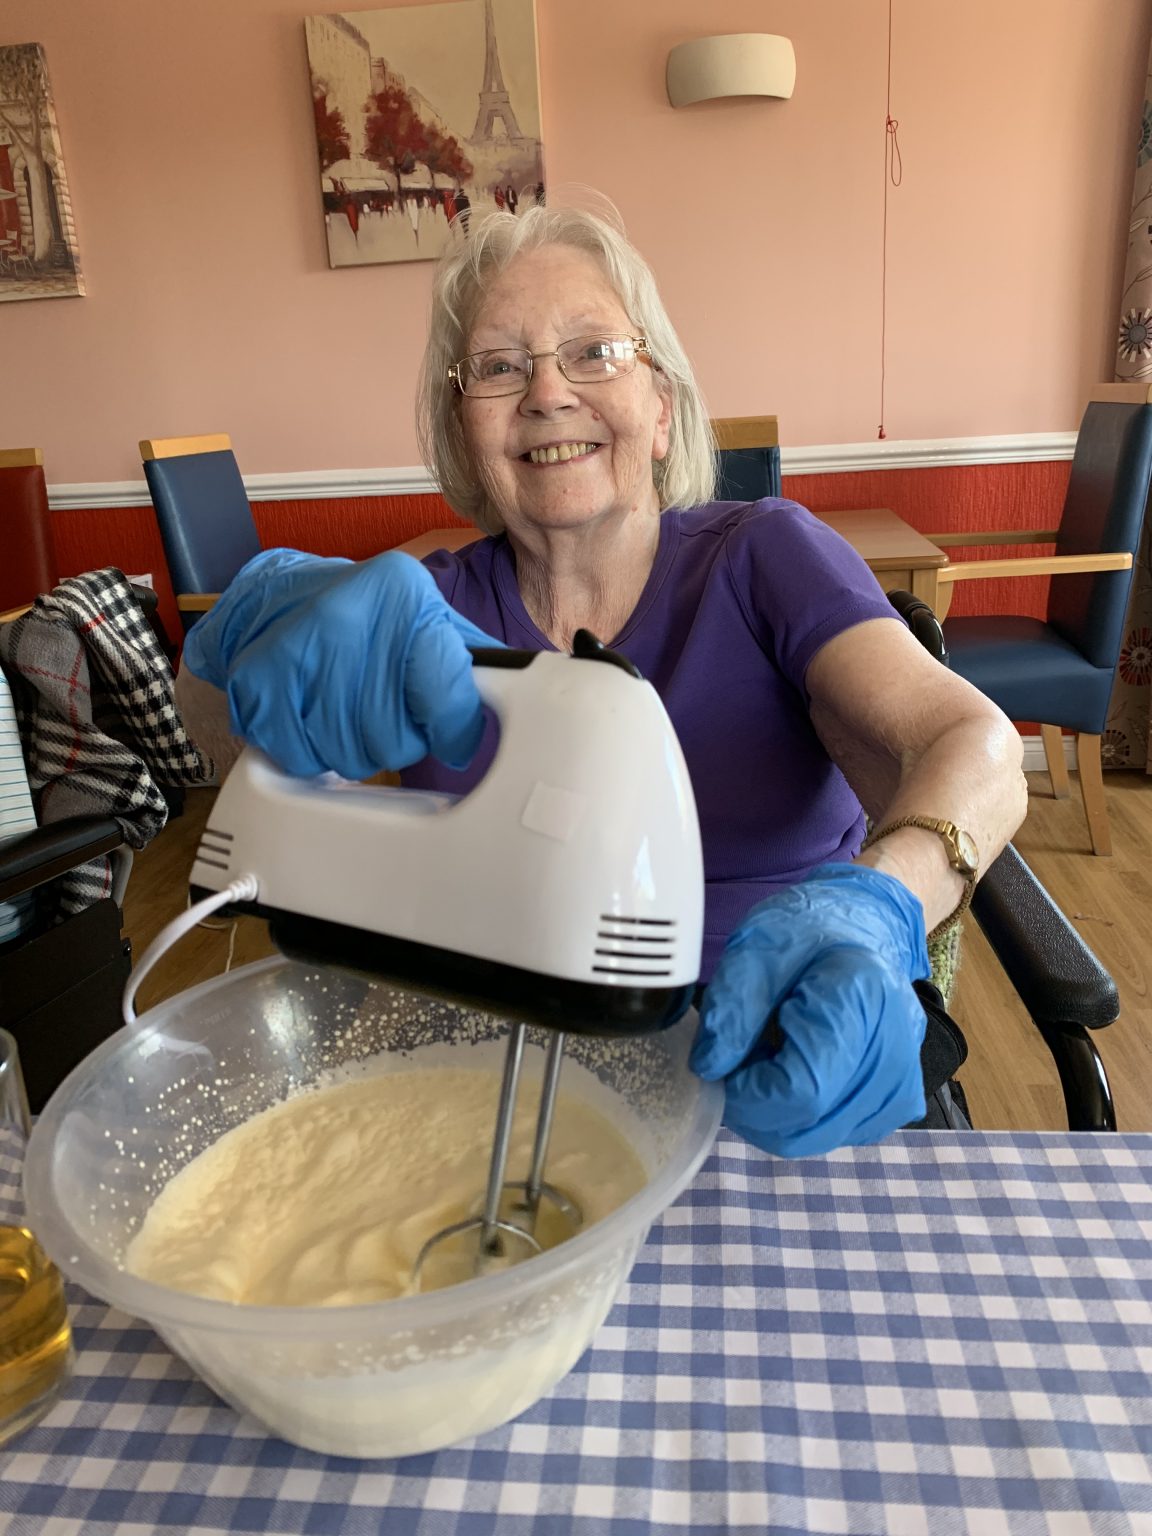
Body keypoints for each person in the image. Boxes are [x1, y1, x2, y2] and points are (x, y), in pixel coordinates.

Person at [179, 204, 1027, 1158]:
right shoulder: (421, 607)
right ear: (463, 436)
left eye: (594, 353)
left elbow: (978, 747)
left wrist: (881, 907)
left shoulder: (763, 558)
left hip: (783, 1061)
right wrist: (241, 632)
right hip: (505, 1094)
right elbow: (206, 731)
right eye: (499, 367)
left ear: (661, 408)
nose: (548, 393)